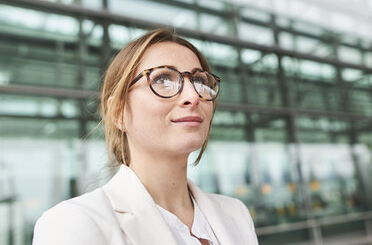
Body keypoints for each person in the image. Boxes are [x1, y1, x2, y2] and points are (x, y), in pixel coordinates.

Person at [32, 29, 258, 245]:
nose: (193, 96)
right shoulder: (71, 226)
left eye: (199, 81)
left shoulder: (235, 213)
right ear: (118, 112)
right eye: (162, 80)